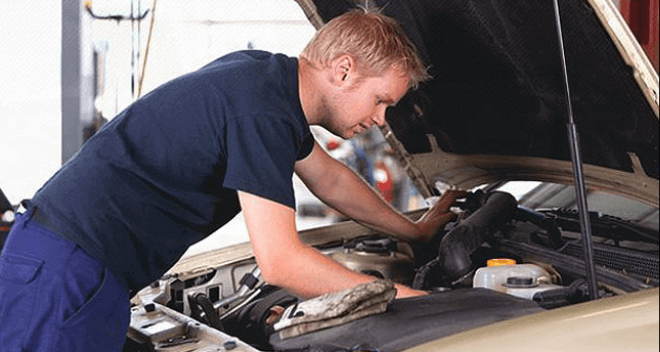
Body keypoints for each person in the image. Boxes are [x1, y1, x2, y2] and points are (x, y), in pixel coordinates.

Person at [0, 8, 465, 352]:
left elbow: (331, 179)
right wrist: (414, 300)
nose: (383, 120)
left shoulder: (264, 79)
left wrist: (416, 229)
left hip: (72, 267)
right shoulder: (263, 110)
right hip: (66, 276)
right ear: (343, 70)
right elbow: (281, 263)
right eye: (381, 100)